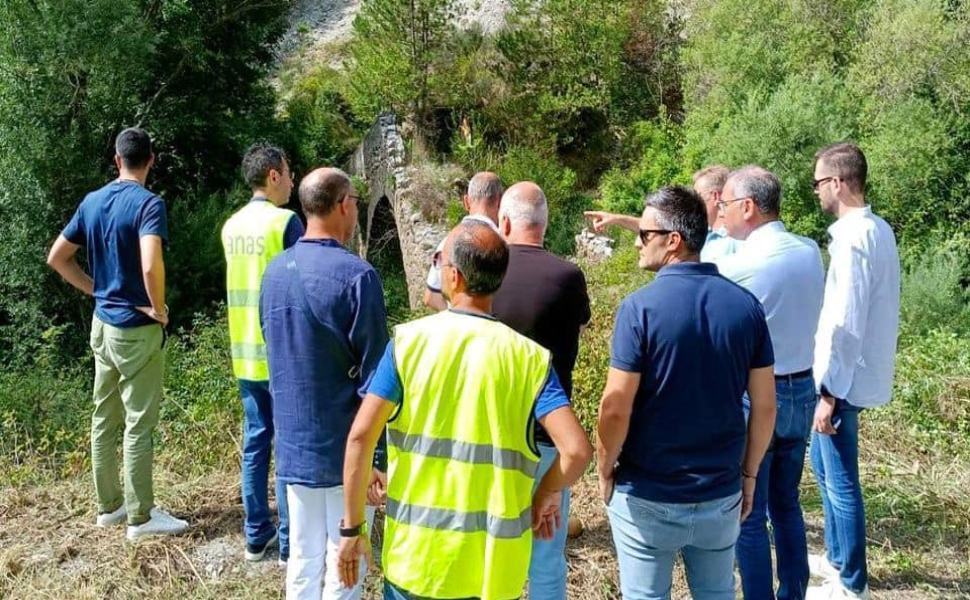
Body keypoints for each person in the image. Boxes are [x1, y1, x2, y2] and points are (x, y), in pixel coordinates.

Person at [337, 220, 593, 600]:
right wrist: (545, 493)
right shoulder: (529, 359)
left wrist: (352, 529)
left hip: (417, 563)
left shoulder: (408, 344)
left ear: (453, 277)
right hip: (491, 572)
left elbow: (360, 436)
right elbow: (577, 451)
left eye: (440, 261)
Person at [596, 185, 777, 599]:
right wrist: (749, 475)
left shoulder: (638, 309)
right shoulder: (746, 307)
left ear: (673, 241)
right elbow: (766, 406)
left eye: (644, 235)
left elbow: (615, 407)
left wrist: (605, 466)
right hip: (719, 492)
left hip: (647, 493)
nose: (639, 244)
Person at [47, 127, 189, 541]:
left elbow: (57, 257)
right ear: (152, 160)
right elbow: (149, 265)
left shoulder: (92, 201)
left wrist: (96, 288)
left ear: (116, 160)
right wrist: (158, 308)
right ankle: (141, 519)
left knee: (103, 418)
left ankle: (109, 507)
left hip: (102, 326)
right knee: (138, 425)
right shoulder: (149, 204)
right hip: (135, 330)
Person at [259, 168, 388, 600]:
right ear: (343, 205)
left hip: (295, 441)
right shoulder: (358, 277)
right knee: (347, 559)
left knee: (303, 557)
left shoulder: (275, 272)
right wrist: (378, 454)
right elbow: (376, 377)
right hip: (347, 446)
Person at [713, 166, 825, 599]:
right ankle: (793, 591)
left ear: (748, 207)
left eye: (724, 206)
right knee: (787, 503)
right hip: (802, 389)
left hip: (758, 397)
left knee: (749, 512)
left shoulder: (740, 263)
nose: (720, 214)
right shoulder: (809, 249)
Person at [807, 143, 900, 600]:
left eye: (819, 182)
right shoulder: (877, 229)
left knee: (841, 481)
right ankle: (838, 559)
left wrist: (829, 392)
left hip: (841, 380)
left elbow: (846, 318)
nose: (817, 191)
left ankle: (852, 583)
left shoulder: (853, 237)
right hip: (846, 375)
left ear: (839, 183)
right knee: (823, 469)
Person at [491, 182, 592, 600]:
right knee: (547, 555)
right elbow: (580, 325)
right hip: (551, 435)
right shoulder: (568, 276)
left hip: (492, 435)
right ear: (545, 225)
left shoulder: (488, 273)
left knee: (492, 551)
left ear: (506, 221)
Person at [221, 143, 303, 563]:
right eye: (288, 173)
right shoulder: (285, 222)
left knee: (256, 442)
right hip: (282, 354)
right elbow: (303, 280)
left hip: (244, 353)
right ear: (273, 175)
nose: (291, 181)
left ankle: (256, 534)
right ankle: (290, 542)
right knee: (288, 445)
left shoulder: (231, 226)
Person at [583, 165, 739, 262]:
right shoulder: (703, 232)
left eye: (698, 194)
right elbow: (659, 230)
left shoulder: (735, 239)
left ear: (715, 196)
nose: (694, 200)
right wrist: (615, 219)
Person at [422, 171, 503, 310]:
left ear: (466, 202)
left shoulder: (447, 243)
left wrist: (455, 318)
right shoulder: (504, 244)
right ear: (500, 202)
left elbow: (431, 297)